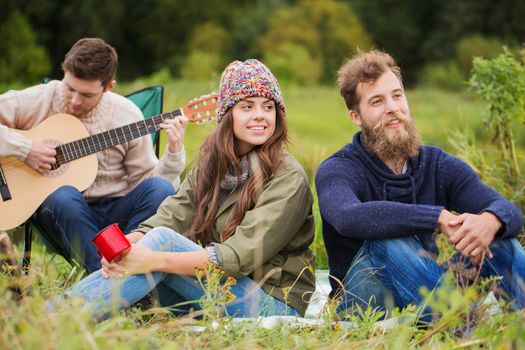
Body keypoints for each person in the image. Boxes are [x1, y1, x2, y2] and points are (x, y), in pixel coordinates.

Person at [58, 59, 316, 319]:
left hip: (270, 303)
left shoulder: (288, 178)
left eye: (268, 107)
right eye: (247, 107)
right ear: (228, 116)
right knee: (150, 250)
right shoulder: (213, 163)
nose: (260, 115)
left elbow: (236, 258)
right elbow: (171, 215)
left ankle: (60, 318)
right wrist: (123, 251)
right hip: (219, 289)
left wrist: (152, 259)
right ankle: (65, 316)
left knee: (163, 245)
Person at [315, 50, 525, 320]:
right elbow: (347, 217)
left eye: (397, 95)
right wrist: (435, 217)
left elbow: (510, 212)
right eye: (377, 101)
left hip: (422, 285)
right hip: (365, 301)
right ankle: (466, 328)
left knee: (499, 240)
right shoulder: (339, 168)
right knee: (389, 242)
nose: (393, 107)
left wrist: (491, 220)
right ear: (356, 116)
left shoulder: (436, 163)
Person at [0, 38, 187, 273]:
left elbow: (146, 182)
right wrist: (24, 149)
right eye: (69, 88)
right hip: (61, 213)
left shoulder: (126, 115)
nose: (75, 100)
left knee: (160, 189)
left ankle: (122, 270)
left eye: (86, 95)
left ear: (109, 86)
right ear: (64, 73)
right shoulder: (40, 99)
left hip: (116, 214)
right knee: (64, 195)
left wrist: (173, 153)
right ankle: (106, 283)